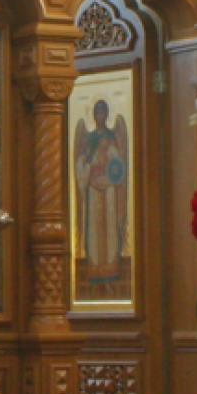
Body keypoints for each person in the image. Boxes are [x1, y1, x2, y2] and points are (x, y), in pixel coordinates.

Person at [75, 98, 130, 293]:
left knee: (109, 231)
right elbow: (82, 161)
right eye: (97, 113)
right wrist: (89, 166)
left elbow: (118, 164)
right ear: (94, 115)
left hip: (108, 189)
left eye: (103, 112)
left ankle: (109, 277)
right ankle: (94, 277)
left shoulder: (111, 136)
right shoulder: (89, 138)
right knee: (94, 230)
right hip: (92, 188)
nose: (100, 116)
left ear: (106, 114)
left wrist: (111, 165)